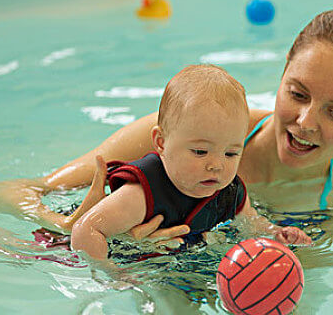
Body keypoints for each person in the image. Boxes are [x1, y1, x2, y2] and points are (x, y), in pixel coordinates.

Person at [0, 9, 333, 245]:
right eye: (298, 93)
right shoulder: (178, 137)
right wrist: (70, 226)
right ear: (283, 69)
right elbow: (6, 192)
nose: (305, 123)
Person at [70, 64, 311, 259]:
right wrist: (111, 275)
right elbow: (85, 230)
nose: (216, 165)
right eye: (199, 152)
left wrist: (276, 233)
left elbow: (250, 221)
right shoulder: (141, 195)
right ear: (161, 142)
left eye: (230, 154)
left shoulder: (229, 191)